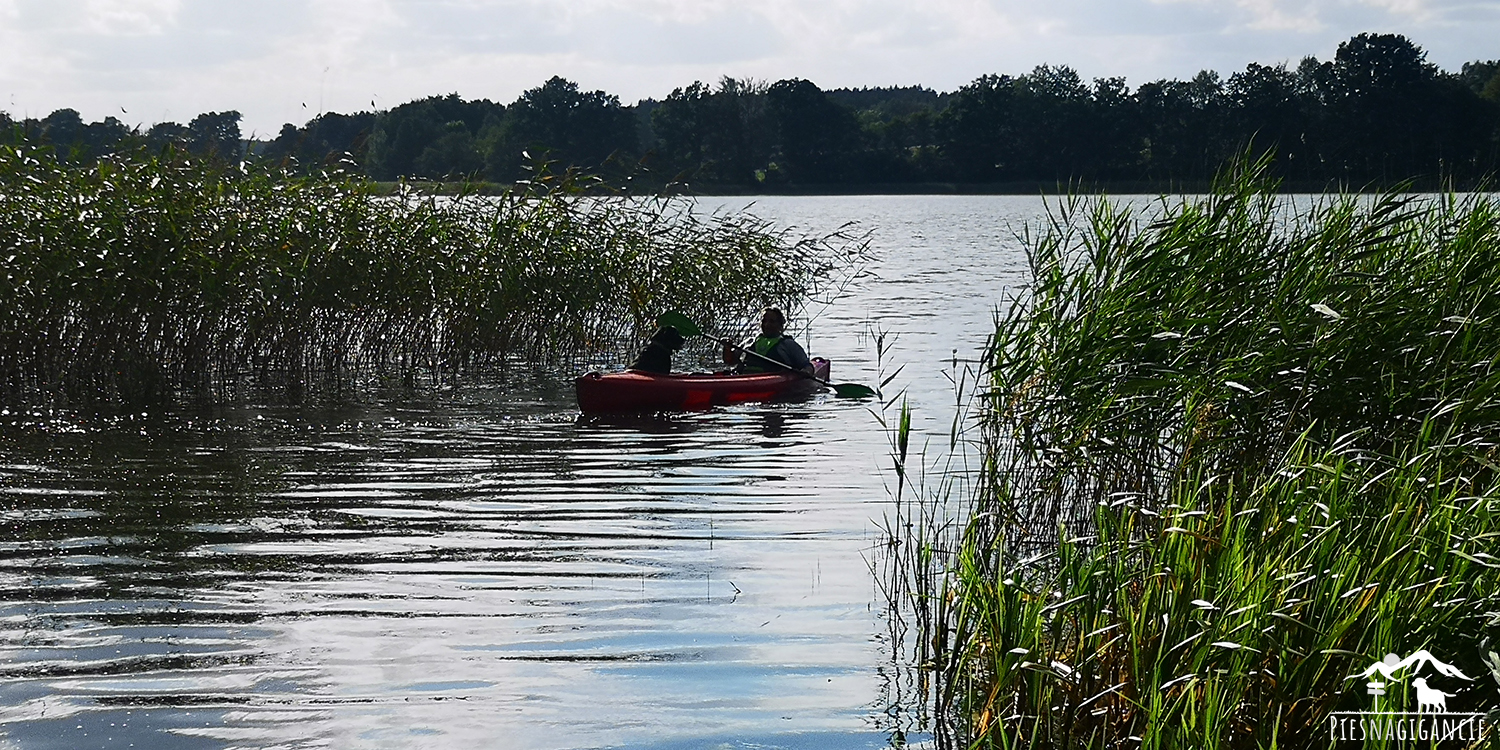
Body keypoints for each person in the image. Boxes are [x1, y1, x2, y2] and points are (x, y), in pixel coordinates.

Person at [723, 308, 813, 374]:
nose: (767, 325)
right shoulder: (750, 341)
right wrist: (727, 348)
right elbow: (730, 361)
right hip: (744, 378)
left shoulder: (788, 344)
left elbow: (807, 366)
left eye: (772, 321)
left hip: (771, 381)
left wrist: (805, 372)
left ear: (780, 325)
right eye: (764, 321)